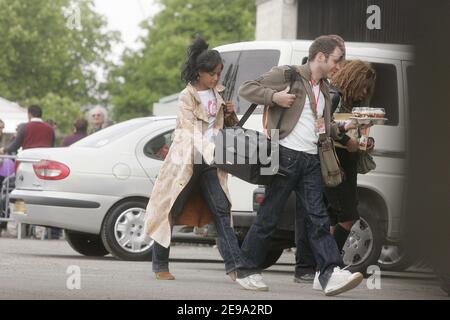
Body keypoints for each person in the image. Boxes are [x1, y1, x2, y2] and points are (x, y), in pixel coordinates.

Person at [236, 35, 363, 296]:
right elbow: (246, 89)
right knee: (269, 216)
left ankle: (328, 273)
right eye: (337, 60)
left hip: (311, 160)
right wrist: (274, 97)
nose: (340, 66)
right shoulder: (288, 75)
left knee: (317, 218)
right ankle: (246, 269)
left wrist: (342, 128)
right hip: (285, 157)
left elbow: (321, 126)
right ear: (321, 57)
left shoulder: (325, 88)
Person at [144, 37, 245, 281]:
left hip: (210, 163)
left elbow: (229, 128)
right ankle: (160, 265)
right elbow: (188, 131)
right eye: (213, 74)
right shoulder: (186, 97)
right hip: (185, 162)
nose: (217, 78)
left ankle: (236, 268)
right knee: (170, 209)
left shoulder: (219, 94)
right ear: (200, 73)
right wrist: (209, 150)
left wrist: (230, 115)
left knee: (222, 210)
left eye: (219, 74)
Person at [294, 60, 377, 284]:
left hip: (346, 165)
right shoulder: (335, 95)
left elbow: (353, 135)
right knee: (348, 216)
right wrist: (344, 139)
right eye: (364, 85)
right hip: (333, 165)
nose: (365, 91)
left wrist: (364, 143)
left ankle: (325, 268)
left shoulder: (351, 102)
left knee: (335, 217)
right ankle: (328, 269)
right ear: (354, 80)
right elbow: (321, 128)